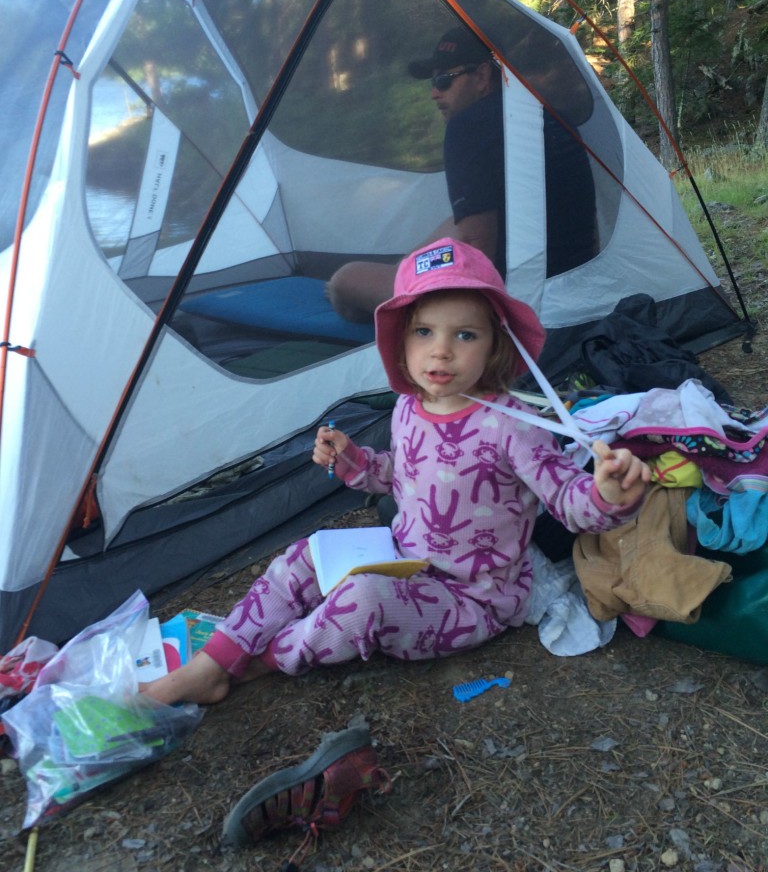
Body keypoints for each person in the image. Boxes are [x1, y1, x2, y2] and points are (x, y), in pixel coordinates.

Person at [144, 238, 650, 708]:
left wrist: (607, 493)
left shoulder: (513, 426)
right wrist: (352, 462)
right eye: (424, 331)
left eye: (465, 334)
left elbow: (569, 501)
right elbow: (396, 478)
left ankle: (263, 661)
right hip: (401, 559)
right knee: (306, 555)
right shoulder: (408, 408)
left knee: (363, 601)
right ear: (400, 341)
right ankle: (214, 660)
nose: (441, 350)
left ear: (496, 345)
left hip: (472, 599)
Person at [326, 27, 505, 323]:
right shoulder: (533, 112)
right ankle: (402, 270)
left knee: (345, 279)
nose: (434, 92)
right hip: (564, 278)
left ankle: (376, 305)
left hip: (505, 295)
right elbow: (469, 226)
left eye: (444, 80)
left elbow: (478, 255)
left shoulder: (469, 126)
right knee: (458, 222)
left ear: (483, 77)